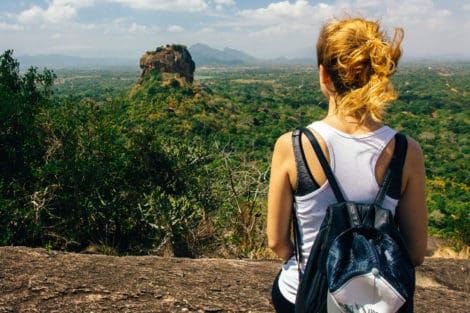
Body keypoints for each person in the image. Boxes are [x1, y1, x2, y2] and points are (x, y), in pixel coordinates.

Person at [267, 17, 428, 312]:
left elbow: (276, 242)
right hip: (377, 302)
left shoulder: (293, 146)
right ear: (378, 74)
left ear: (324, 76)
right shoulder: (407, 151)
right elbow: (416, 253)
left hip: (305, 296)